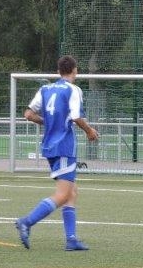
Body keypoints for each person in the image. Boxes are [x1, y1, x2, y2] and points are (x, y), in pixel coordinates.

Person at [14, 55, 100, 250]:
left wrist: (48, 122)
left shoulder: (45, 89)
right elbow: (76, 116)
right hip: (64, 146)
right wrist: (89, 131)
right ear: (75, 70)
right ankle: (26, 222)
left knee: (72, 191)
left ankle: (71, 240)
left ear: (59, 71)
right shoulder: (73, 89)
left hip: (50, 145)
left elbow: (28, 114)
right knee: (62, 195)